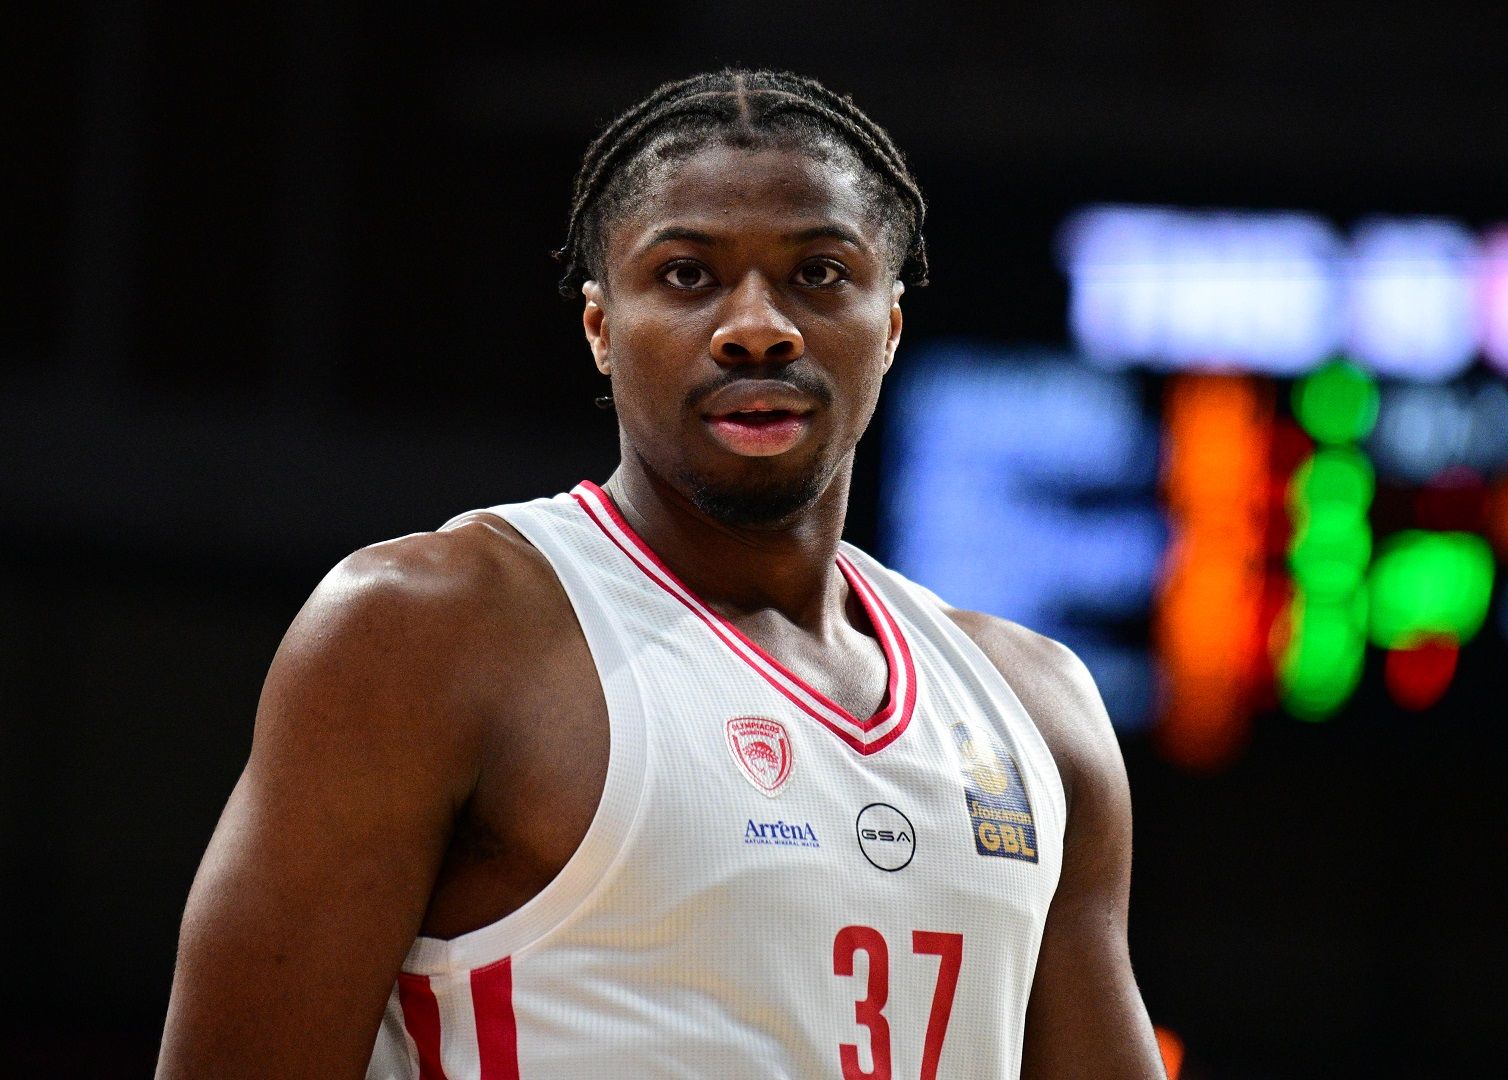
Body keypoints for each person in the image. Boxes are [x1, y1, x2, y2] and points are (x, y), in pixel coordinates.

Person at [157, 69, 1163, 1079]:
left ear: (890, 326)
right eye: (687, 275)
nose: (756, 326)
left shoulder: (1037, 712)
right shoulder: (427, 633)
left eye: (819, 273)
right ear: (600, 329)